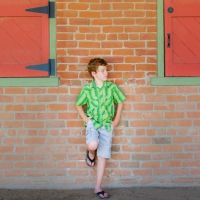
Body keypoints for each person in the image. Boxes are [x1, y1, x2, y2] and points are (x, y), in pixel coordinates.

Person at [75, 58, 126, 199]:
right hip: (93, 123)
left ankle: (98, 187)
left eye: (106, 70)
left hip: (106, 125)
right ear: (94, 73)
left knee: (103, 156)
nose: (106, 73)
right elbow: (78, 104)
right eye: (102, 71)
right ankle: (91, 154)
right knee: (93, 144)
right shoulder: (87, 89)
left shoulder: (111, 87)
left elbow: (120, 101)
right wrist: (85, 119)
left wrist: (116, 120)